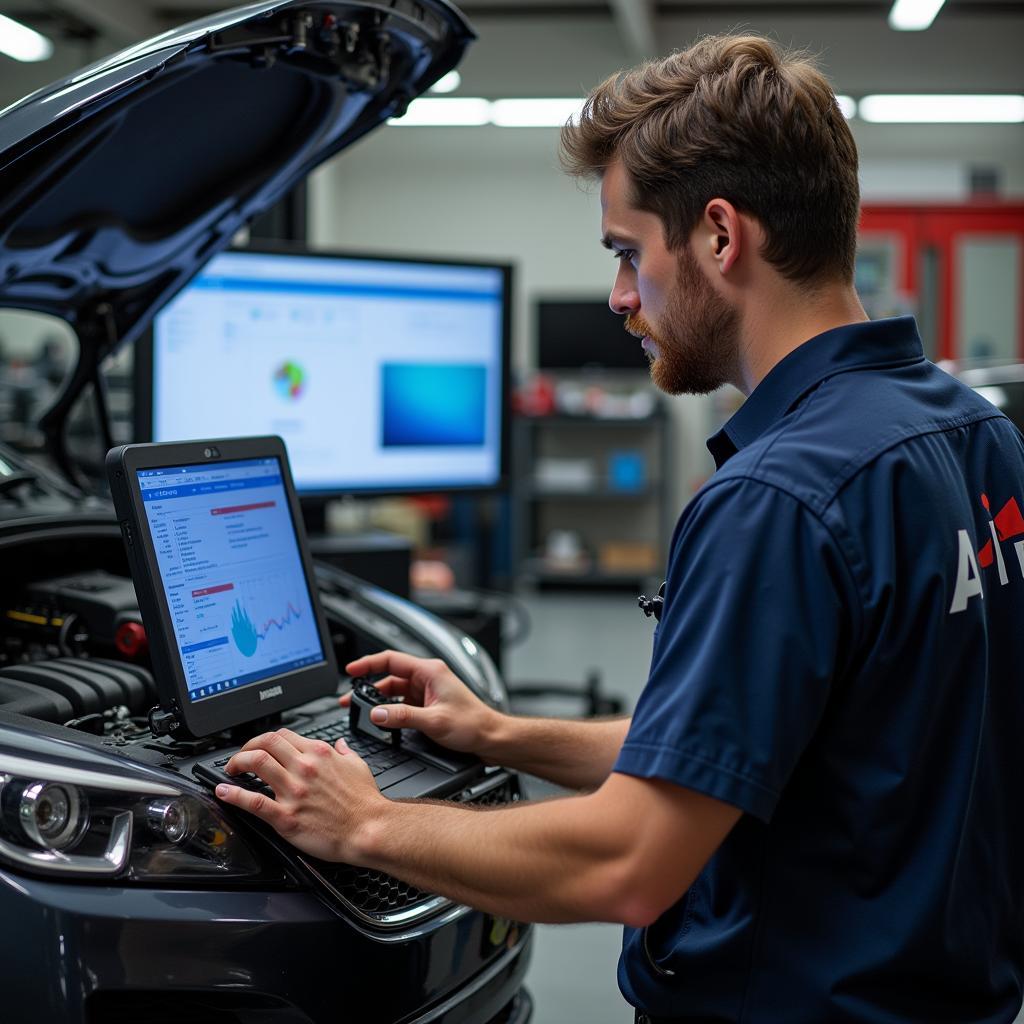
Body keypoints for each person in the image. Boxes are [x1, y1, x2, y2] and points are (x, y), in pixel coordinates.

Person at [215, 34, 1024, 1023]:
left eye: (626, 252)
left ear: (720, 236)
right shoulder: (975, 435)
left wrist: (368, 822)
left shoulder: (777, 498)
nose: (618, 297)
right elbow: (755, 737)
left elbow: (630, 860)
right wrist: (498, 733)